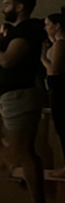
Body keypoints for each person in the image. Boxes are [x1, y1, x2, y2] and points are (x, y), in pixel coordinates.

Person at [0, 0, 49, 203]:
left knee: (23, 154)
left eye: (7, 4)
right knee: (24, 153)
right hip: (17, 97)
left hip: (20, 96)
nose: (3, 7)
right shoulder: (23, 30)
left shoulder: (27, 30)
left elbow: (7, 61)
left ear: (20, 6)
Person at [43, 10, 65, 178]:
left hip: (60, 91)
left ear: (57, 26)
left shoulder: (61, 44)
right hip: (58, 90)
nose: (45, 27)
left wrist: (42, 57)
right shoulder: (58, 43)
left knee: (63, 129)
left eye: (48, 24)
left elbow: (54, 70)